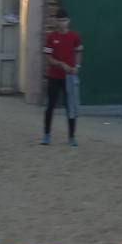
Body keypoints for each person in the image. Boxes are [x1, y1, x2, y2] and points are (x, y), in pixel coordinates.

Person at [41, 9, 83, 147]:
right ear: (55, 21)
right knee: (50, 106)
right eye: (59, 21)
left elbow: (79, 51)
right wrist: (60, 64)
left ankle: (72, 137)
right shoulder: (51, 37)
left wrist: (77, 66)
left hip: (69, 77)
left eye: (64, 20)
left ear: (69, 21)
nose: (62, 23)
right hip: (54, 77)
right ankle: (46, 135)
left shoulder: (74, 36)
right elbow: (48, 57)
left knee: (70, 107)